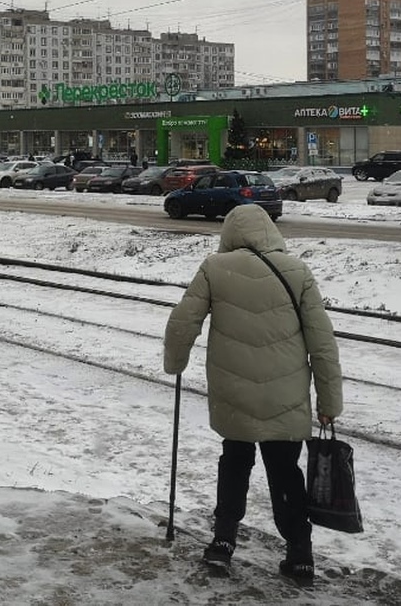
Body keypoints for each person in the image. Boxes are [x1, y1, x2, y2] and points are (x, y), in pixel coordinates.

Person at [163, 204, 342, 586]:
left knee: (235, 461)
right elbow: (322, 344)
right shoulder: (298, 271)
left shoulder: (215, 268)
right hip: (286, 396)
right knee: (285, 473)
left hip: (235, 393)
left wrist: (175, 363)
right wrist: (329, 403)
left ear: (229, 233)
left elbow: (182, 322)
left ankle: (223, 541)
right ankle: (300, 554)